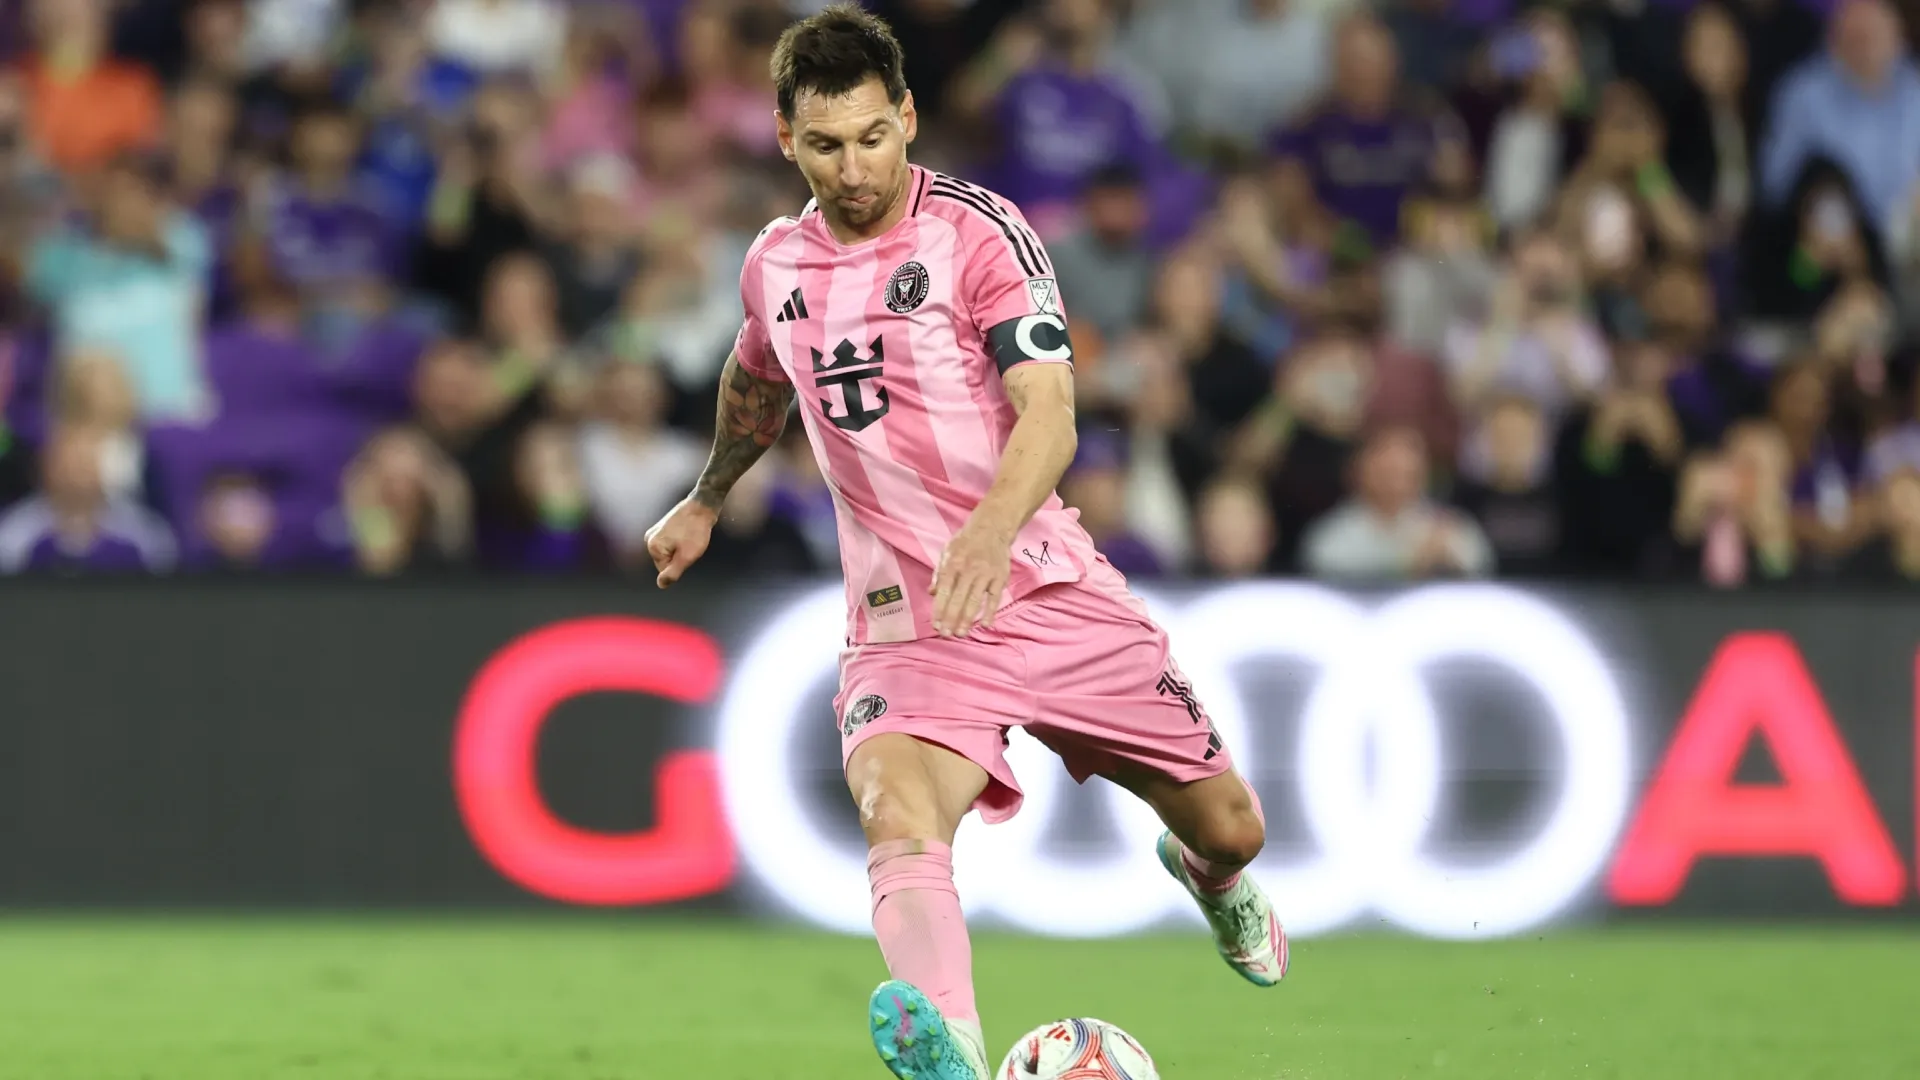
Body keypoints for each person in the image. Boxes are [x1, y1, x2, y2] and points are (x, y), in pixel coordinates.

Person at [641, 10, 1283, 1080]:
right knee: (896, 812)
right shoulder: (774, 264)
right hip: (906, 622)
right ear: (785, 138)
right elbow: (757, 375)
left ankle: (1210, 876)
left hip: (1042, 590)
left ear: (908, 119)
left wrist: (987, 537)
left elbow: (1052, 411)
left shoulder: (979, 231)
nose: (853, 168)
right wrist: (706, 496)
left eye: (872, 138)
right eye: (826, 144)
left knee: (1236, 829)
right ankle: (956, 1052)